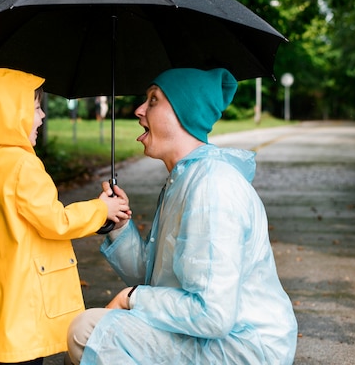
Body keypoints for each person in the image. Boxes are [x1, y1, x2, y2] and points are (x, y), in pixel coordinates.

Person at [66, 68, 298, 364]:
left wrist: (130, 297)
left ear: (183, 113)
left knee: (88, 332)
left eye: (153, 100)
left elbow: (213, 314)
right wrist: (119, 228)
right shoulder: (185, 179)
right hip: (212, 337)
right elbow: (154, 279)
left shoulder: (213, 187)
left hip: (242, 348)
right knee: (93, 332)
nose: (138, 109)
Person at [0, 68, 130, 365]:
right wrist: (101, 209)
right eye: (36, 108)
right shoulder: (23, 165)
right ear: (10, 114)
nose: (41, 117)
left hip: (6, 288)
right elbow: (55, 221)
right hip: (26, 295)